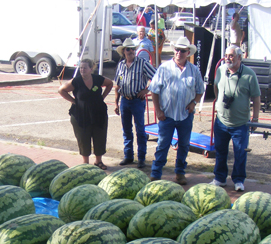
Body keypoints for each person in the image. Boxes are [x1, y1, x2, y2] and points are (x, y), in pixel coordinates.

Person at [148, 37, 204, 185]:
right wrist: (158, 110)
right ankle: (156, 173)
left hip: (185, 115)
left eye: (183, 50)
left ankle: (180, 173)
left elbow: (200, 90)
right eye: (177, 49)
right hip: (167, 115)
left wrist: (194, 103)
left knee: (184, 145)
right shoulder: (164, 68)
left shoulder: (194, 70)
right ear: (174, 50)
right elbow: (154, 90)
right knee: (162, 144)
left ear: (188, 52)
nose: (179, 53)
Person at [210, 45, 261, 192]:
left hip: (240, 123)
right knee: (220, 151)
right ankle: (220, 178)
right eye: (226, 55)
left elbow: (256, 98)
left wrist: (255, 118)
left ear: (240, 57)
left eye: (231, 55)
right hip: (221, 121)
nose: (228, 58)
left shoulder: (249, 75)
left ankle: (238, 180)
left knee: (240, 152)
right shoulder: (220, 70)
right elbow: (216, 88)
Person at [58, 59, 113, 170]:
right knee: (83, 137)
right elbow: (61, 90)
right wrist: (74, 101)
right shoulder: (76, 81)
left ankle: (98, 161)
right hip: (80, 114)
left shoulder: (97, 79)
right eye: (81, 68)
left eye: (85, 68)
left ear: (91, 69)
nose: (82, 70)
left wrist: (102, 97)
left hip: (98, 113)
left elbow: (110, 84)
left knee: (99, 136)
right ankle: (85, 163)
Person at [114, 38, 157, 169]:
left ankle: (142, 158)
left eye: (133, 49)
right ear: (124, 52)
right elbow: (117, 85)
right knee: (126, 130)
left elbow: (157, 77)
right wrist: (116, 103)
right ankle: (128, 156)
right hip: (124, 100)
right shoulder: (121, 65)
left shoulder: (142, 63)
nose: (131, 51)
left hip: (137, 101)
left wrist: (146, 89)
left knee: (140, 130)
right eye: (128, 49)